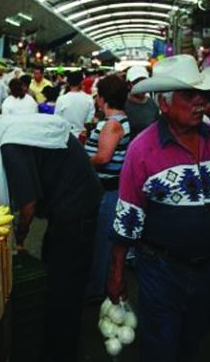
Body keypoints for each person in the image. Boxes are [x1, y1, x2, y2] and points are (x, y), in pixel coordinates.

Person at [106, 54, 210, 362]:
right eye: (188, 95)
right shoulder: (142, 149)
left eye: (202, 95)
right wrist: (116, 273)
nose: (200, 102)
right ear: (164, 103)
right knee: (161, 344)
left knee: (195, 337)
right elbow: (127, 217)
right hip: (162, 269)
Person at [0, 114, 102, 362]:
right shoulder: (17, 129)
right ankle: (57, 341)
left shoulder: (9, 143)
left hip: (75, 211)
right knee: (55, 267)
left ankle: (61, 351)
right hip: (76, 203)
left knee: (65, 286)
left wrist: (20, 236)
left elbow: (29, 202)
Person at [83, 74, 131, 301]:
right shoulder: (117, 120)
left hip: (107, 191)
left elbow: (103, 157)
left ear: (103, 97)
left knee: (102, 243)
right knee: (102, 241)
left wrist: (80, 160)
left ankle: (95, 290)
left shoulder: (113, 124)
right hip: (108, 190)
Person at [54, 70, 95, 139]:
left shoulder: (61, 99)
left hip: (64, 136)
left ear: (68, 83)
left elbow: (57, 119)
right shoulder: (89, 99)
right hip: (81, 136)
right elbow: (89, 120)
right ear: (81, 82)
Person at [124, 65, 160, 139]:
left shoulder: (152, 104)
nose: (141, 86)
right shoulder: (121, 103)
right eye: (137, 82)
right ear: (129, 85)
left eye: (144, 82)